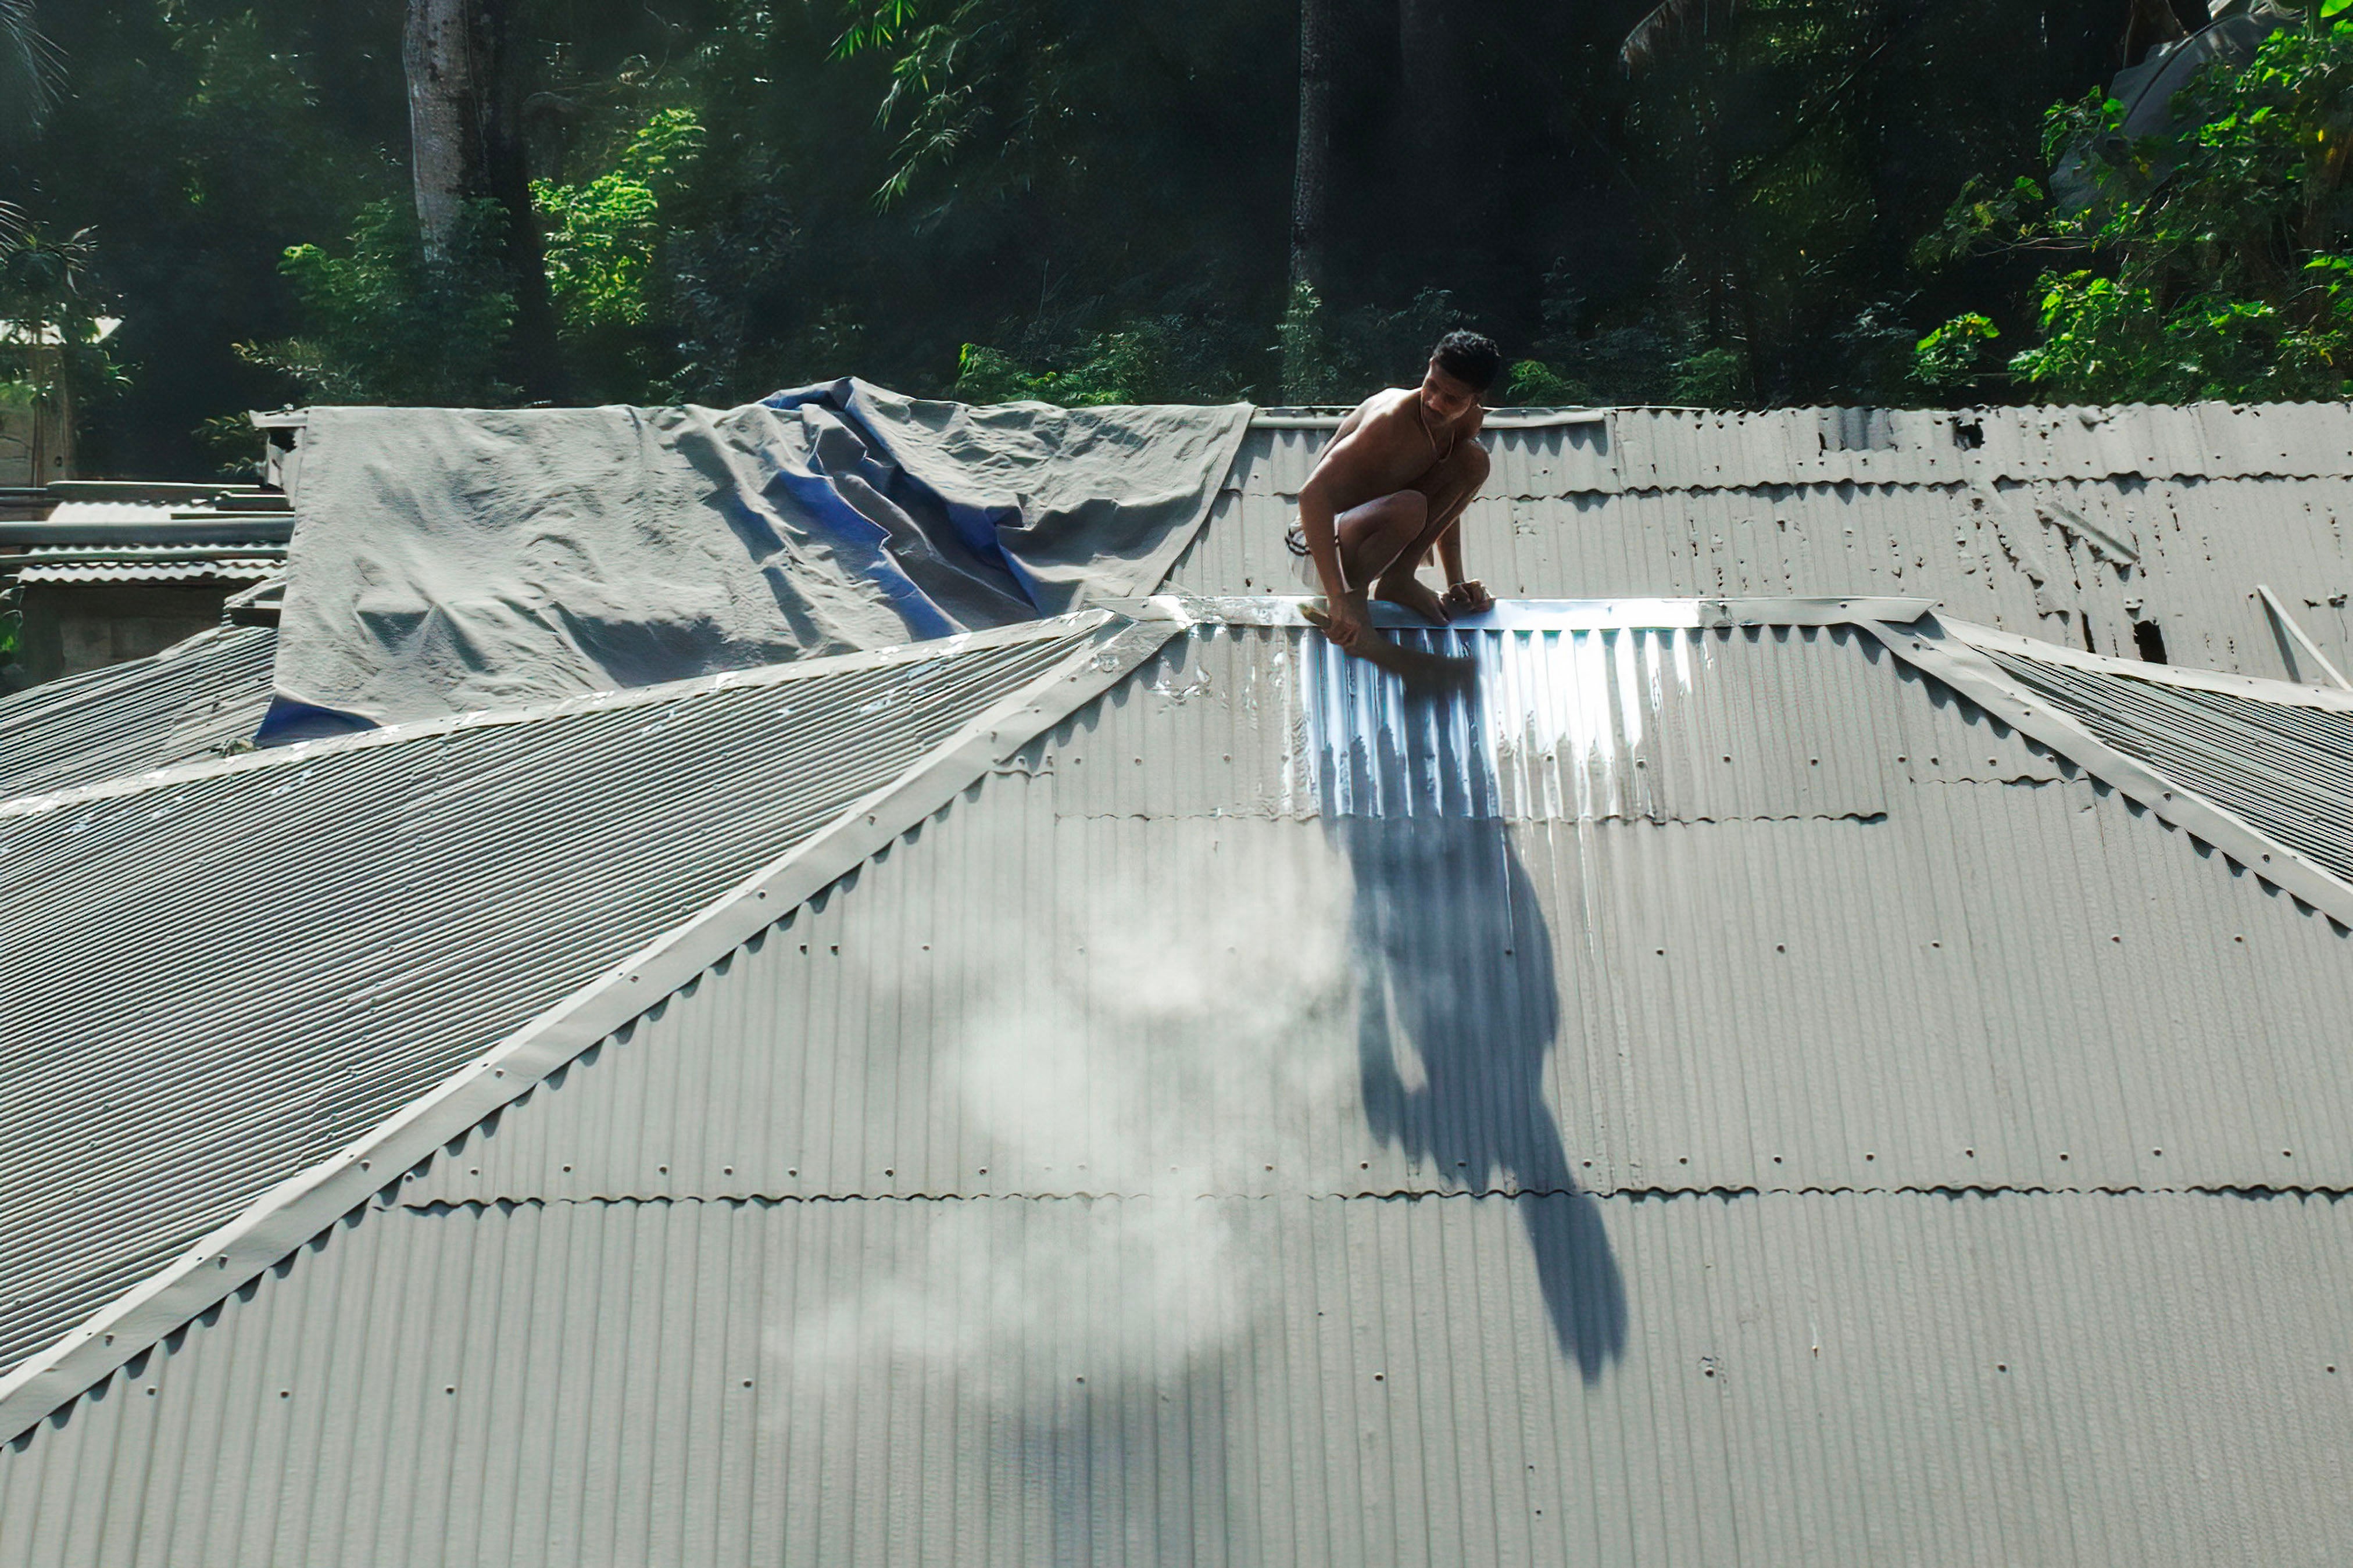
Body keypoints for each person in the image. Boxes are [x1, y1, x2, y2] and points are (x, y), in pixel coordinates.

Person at [1286, 329, 1501, 652]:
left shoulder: (1468, 422)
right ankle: (1356, 593)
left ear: (1475, 399)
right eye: (1432, 386)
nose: (1435, 402)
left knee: (1475, 461)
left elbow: (1447, 501)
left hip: (1382, 534)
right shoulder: (1389, 421)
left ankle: (1399, 579)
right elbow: (1311, 495)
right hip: (1316, 545)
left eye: (1452, 399)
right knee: (1410, 505)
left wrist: (1456, 583)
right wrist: (1339, 600)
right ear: (1430, 367)